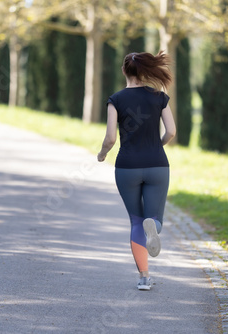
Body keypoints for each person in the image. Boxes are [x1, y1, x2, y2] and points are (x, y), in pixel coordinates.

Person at [97, 51, 176, 291]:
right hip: (157, 165)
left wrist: (102, 154)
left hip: (127, 167)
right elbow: (171, 132)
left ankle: (143, 278)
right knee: (153, 220)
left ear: (125, 71)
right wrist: (156, 146)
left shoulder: (116, 100)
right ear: (145, 71)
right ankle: (154, 227)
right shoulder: (159, 97)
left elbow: (111, 137)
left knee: (135, 221)